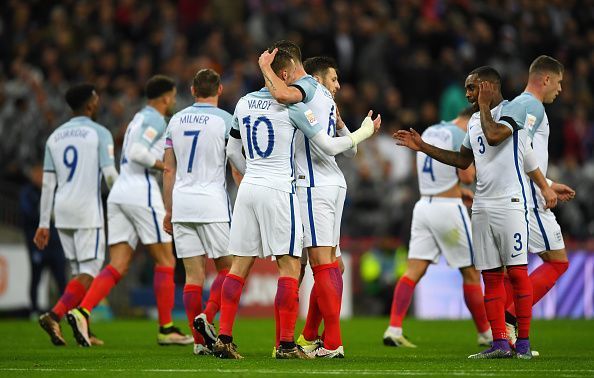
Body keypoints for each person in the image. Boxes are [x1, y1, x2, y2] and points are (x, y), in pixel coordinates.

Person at [213, 48, 381, 359]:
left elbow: (232, 151)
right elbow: (330, 146)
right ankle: (288, 345)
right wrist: (363, 133)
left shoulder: (244, 101)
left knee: (239, 266)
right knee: (290, 267)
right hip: (282, 187)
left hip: (248, 188)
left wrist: (249, 175)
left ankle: (224, 338)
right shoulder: (295, 107)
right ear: (287, 74)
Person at [394, 66, 557, 359]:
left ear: (488, 87)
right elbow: (462, 159)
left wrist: (483, 107)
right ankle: (498, 343)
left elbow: (494, 136)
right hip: (481, 207)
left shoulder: (513, 112)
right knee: (490, 277)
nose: (468, 95)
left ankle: (523, 343)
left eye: (472, 89)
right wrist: (423, 147)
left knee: (518, 274)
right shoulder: (472, 123)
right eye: (468, 89)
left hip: (510, 206)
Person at [67, 75, 192, 347]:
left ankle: (82, 311)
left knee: (118, 263)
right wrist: (164, 167)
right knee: (166, 260)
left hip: (120, 191)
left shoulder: (138, 118)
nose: (172, 101)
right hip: (140, 189)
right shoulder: (156, 120)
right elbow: (136, 152)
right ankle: (166, 327)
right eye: (171, 97)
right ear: (165, 98)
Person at [258, 43, 358, 359]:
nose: (337, 85)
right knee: (326, 264)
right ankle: (307, 337)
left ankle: (330, 343)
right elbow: (349, 148)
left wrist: (264, 69)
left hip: (312, 186)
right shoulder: (324, 98)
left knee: (313, 264)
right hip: (330, 184)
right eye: (335, 78)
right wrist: (353, 129)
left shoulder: (304, 90)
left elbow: (281, 96)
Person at [383, 107, 492, 348]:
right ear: (472, 120)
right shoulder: (460, 135)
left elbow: (435, 174)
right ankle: (485, 332)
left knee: (413, 271)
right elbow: (466, 176)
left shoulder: (431, 131)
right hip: (448, 210)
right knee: (471, 272)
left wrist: (455, 189)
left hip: (423, 206)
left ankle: (394, 328)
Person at [161, 68, 240, 356]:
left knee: (193, 276)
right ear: (220, 91)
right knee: (229, 268)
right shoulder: (226, 121)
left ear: (193, 91)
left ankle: (198, 342)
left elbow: (168, 170)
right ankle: (206, 316)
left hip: (182, 204)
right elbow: (235, 163)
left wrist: (168, 209)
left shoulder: (175, 121)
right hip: (212, 204)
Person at [35, 83, 118, 346]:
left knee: (77, 272)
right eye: (97, 98)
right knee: (91, 270)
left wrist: (43, 223)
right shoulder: (100, 133)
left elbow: (48, 183)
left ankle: (84, 329)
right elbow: (110, 175)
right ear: (90, 104)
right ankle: (54, 315)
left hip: (62, 211)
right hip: (86, 211)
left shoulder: (55, 137)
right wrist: (124, 200)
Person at [503, 56, 576, 345]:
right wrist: (543, 188)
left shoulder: (511, 104)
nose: (559, 89)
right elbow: (521, 147)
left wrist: (549, 182)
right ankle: (511, 319)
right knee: (558, 262)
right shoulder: (532, 106)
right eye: (558, 82)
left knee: (512, 268)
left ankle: (502, 333)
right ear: (545, 79)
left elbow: (517, 152)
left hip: (514, 193)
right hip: (530, 199)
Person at [20, 164, 66, 316]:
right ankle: (34, 309)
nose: (41, 178)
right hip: (37, 245)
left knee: (61, 278)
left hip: (55, 244)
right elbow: (27, 215)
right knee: (36, 278)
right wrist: (44, 212)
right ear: (33, 175)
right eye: (38, 174)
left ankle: (65, 309)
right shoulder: (27, 193)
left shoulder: (53, 191)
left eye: (43, 174)